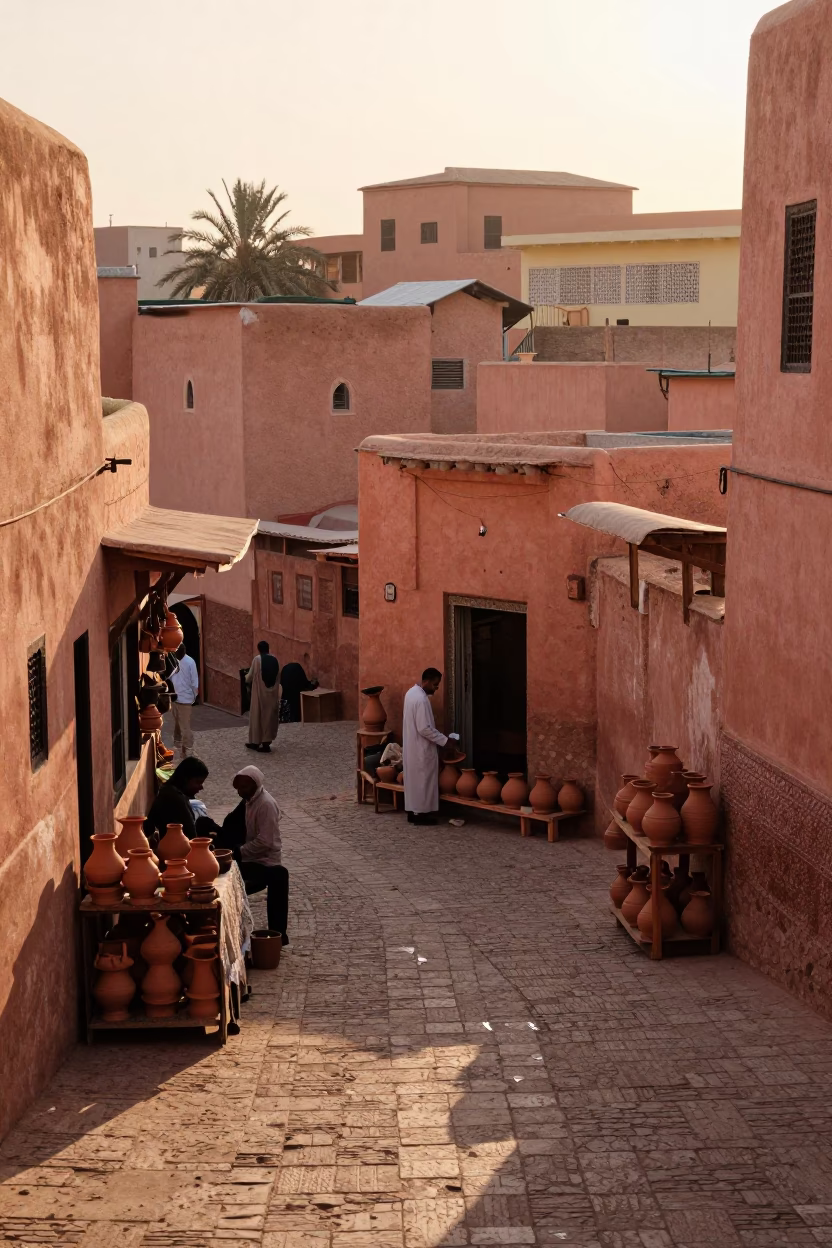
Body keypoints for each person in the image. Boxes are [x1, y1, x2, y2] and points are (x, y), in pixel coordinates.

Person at [224, 765, 289, 944]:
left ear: (255, 784)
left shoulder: (265, 805)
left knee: (278, 875)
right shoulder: (249, 800)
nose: (240, 792)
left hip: (264, 861)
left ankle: (277, 934)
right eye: (237, 788)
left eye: (243, 787)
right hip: (251, 857)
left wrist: (239, 852)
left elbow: (266, 842)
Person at [402, 668, 449, 826]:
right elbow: (424, 728)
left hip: (412, 747)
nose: (436, 688)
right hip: (421, 749)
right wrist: (445, 741)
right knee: (423, 782)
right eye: (435, 685)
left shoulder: (411, 693)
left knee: (414, 781)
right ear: (427, 681)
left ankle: (413, 811)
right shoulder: (421, 700)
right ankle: (421, 815)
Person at [144, 756, 209, 845]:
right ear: (185, 779)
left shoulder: (168, 791)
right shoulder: (176, 798)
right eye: (198, 782)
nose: (201, 787)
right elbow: (191, 837)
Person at [245, 641, 281, 752]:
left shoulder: (257, 660)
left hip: (260, 693)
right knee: (269, 718)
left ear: (259, 649)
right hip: (272, 694)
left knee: (257, 717)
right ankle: (266, 743)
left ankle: (255, 742)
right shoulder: (275, 659)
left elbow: (250, 676)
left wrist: (245, 678)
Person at [169, 643, 199, 758]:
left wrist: (193, 697)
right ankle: (181, 748)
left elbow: (194, 681)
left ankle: (188, 749)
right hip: (175, 698)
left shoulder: (190, 662)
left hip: (185, 700)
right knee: (178, 724)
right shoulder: (172, 661)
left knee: (185, 726)